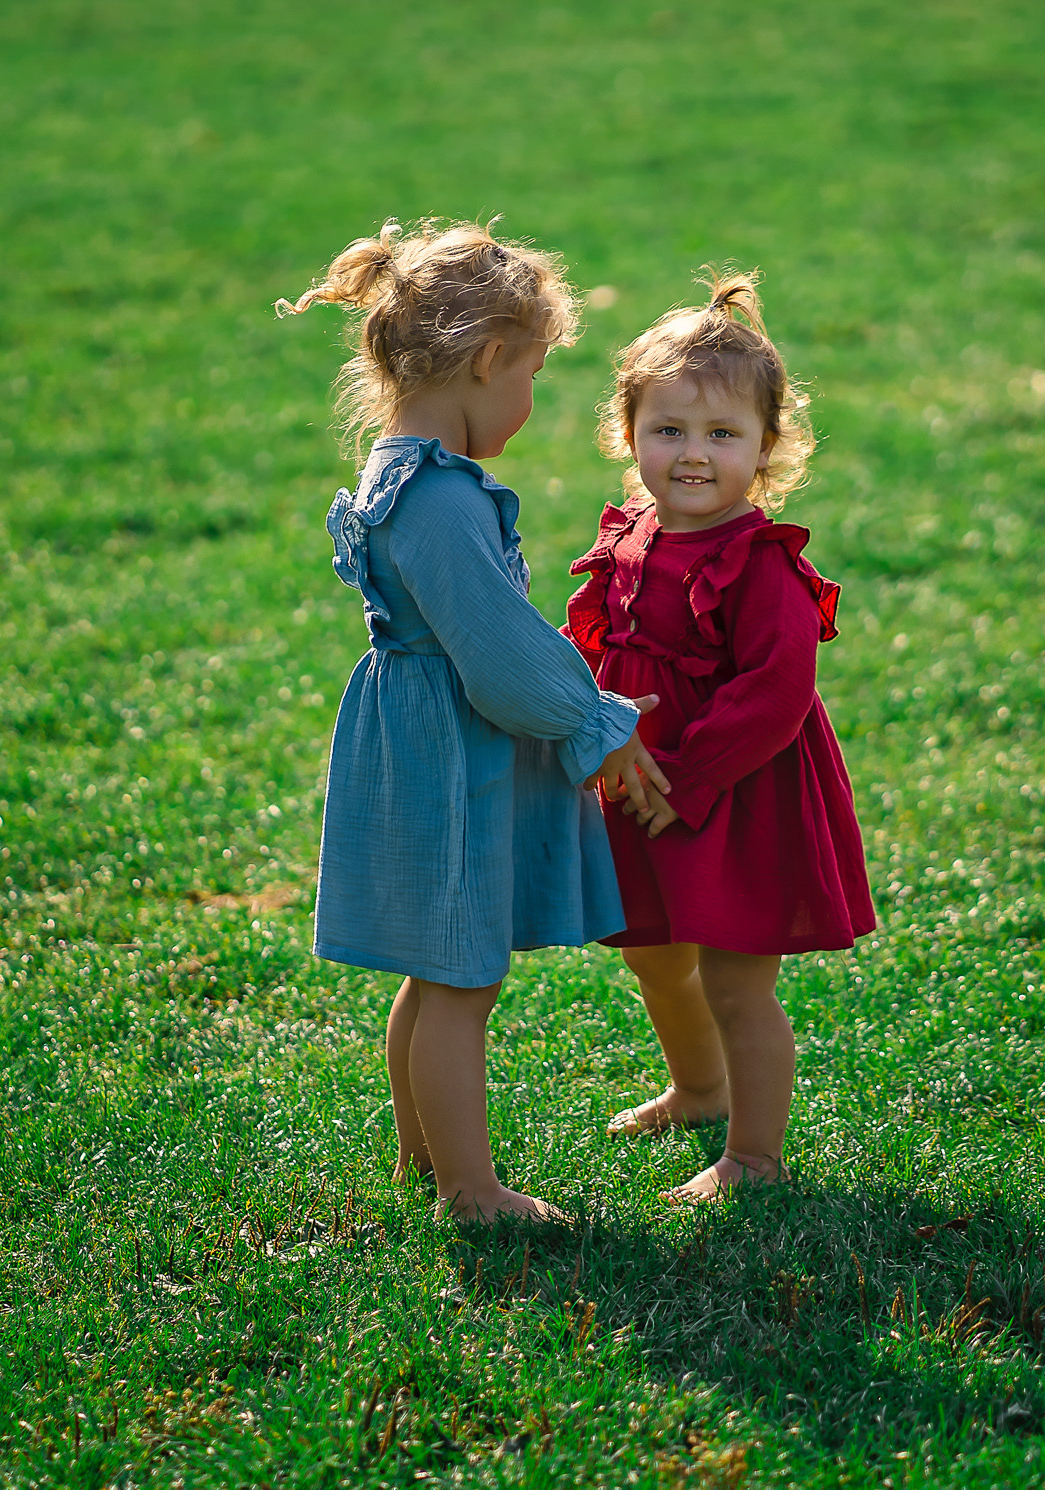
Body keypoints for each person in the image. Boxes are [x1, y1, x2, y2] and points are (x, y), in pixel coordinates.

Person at [279, 220, 669, 1222]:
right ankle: (470, 1188)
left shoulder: (395, 469)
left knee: (433, 969)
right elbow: (498, 653)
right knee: (461, 979)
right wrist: (591, 718)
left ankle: (424, 1161)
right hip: (448, 749)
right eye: (531, 374)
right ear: (489, 360)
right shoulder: (440, 498)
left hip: (409, 730)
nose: (530, 401)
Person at [564, 272, 876, 1202]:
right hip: (641, 783)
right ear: (629, 435)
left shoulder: (762, 565)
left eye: (722, 435)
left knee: (739, 984)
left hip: (737, 795)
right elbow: (597, 652)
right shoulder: (629, 540)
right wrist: (592, 739)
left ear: (769, 447)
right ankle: (696, 1091)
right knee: (652, 953)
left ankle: (756, 1156)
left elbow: (775, 697)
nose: (692, 455)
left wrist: (688, 780)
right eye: (669, 430)